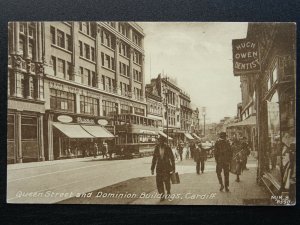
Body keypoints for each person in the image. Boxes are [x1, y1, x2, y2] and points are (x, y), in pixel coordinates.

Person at [151, 136, 175, 202]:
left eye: (161, 141)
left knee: (167, 181)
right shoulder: (156, 148)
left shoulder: (167, 148)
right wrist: (152, 168)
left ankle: (168, 191)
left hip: (166, 167)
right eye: (159, 141)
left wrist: (173, 168)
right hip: (159, 168)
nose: (159, 142)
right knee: (159, 182)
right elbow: (154, 159)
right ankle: (162, 195)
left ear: (163, 141)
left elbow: (172, 158)